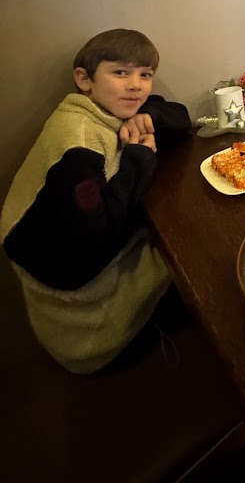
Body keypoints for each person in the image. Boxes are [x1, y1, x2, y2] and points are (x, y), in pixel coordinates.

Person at [0, 29, 191, 374]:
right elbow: (92, 247)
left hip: (96, 259)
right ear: (84, 79)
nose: (136, 86)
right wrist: (138, 160)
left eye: (145, 74)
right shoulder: (77, 144)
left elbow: (181, 117)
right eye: (120, 72)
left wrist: (149, 116)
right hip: (89, 330)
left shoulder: (103, 110)